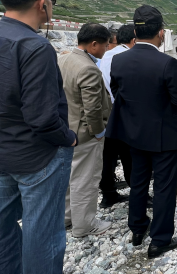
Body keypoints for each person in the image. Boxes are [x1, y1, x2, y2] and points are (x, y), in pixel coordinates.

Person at [0, 0, 77, 274]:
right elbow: (42, 117)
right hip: (37, 157)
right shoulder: (35, 46)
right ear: (42, 3)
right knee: (42, 232)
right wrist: (67, 138)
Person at [106, 5, 177, 259]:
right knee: (164, 186)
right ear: (161, 34)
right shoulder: (169, 64)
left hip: (133, 134)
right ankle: (160, 240)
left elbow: (117, 92)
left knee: (139, 182)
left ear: (134, 31)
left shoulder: (119, 60)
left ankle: (138, 229)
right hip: (164, 136)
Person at [59, 23, 113, 237]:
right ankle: (84, 225)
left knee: (70, 179)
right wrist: (98, 132)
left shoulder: (62, 59)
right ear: (93, 44)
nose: (106, 49)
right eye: (106, 45)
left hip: (65, 129)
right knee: (86, 180)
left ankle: (66, 218)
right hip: (84, 133)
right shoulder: (88, 68)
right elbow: (92, 108)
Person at [98, 24, 136, 208]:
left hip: (104, 111)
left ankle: (108, 193)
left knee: (109, 156)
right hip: (121, 112)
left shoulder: (104, 56)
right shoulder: (126, 57)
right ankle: (137, 194)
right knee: (129, 156)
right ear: (134, 39)